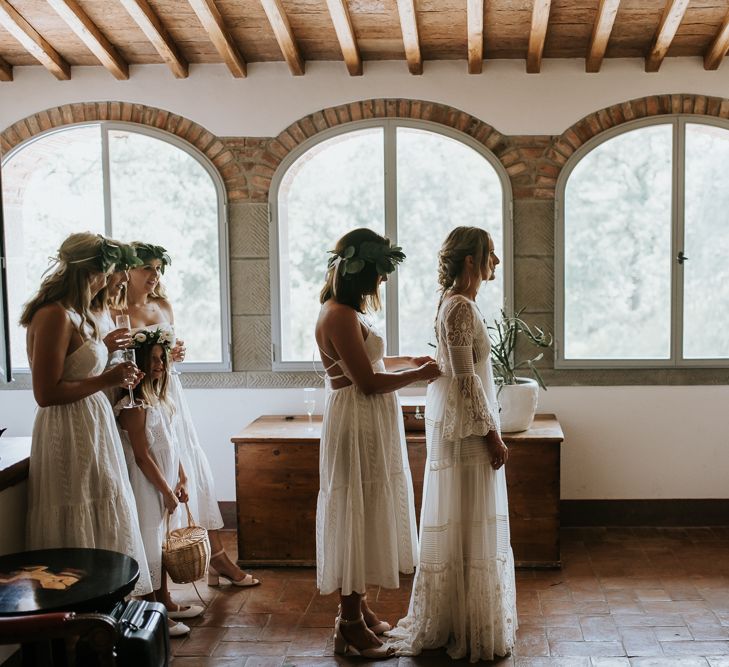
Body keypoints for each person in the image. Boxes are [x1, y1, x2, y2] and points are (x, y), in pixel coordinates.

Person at [386, 226, 517, 662]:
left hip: (460, 424)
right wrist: (493, 435)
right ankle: (463, 622)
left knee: (464, 517)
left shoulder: (455, 302)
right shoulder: (460, 307)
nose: (494, 262)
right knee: (468, 516)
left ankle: (461, 614)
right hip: (467, 431)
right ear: (469, 262)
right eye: (489, 255)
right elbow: (466, 380)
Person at [314, 228, 441, 659]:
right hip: (357, 422)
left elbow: (373, 360)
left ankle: (360, 608)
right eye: (380, 273)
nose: (383, 282)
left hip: (368, 421)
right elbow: (367, 382)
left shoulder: (348, 312)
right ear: (362, 270)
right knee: (356, 512)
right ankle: (348, 625)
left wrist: (411, 360)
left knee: (367, 510)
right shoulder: (339, 315)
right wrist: (420, 377)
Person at [115, 242, 259, 602]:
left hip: (168, 392)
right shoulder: (113, 310)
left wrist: (176, 354)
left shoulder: (162, 304)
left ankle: (215, 556)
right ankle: (162, 580)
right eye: (147, 268)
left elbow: (167, 356)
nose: (154, 275)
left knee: (190, 467)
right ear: (128, 270)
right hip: (137, 398)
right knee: (152, 471)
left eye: (158, 268)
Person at [21, 232, 152, 597]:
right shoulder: (53, 315)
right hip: (67, 430)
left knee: (104, 502)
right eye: (110, 269)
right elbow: (46, 393)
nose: (116, 278)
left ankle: (106, 603)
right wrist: (106, 377)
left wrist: (105, 350)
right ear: (88, 270)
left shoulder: (81, 313)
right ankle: (76, 608)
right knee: (77, 507)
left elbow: (76, 367)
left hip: (92, 424)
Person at [116, 328, 191, 637]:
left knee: (161, 547)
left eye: (162, 359)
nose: (160, 365)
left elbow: (172, 443)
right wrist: (165, 491)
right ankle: (152, 612)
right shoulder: (133, 406)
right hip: (146, 486)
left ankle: (165, 602)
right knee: (149, 547)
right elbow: (142, 457)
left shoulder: (161, 400)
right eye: (153, 359)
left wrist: (181, 477)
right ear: (140, 363)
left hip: (165, 481)